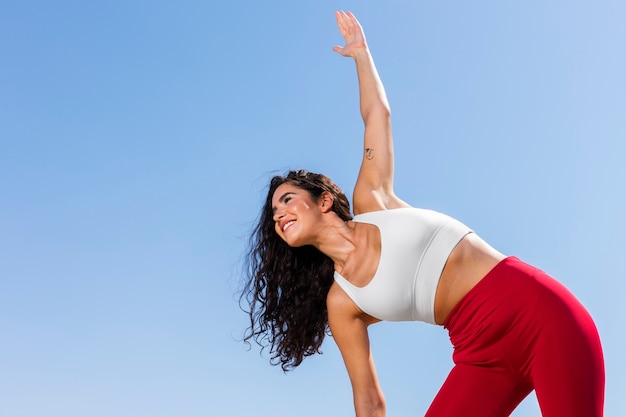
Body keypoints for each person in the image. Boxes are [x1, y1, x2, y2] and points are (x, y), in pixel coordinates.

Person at [240, 10, 605, 417]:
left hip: (543, 317)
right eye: (274, 212)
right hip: (481, 358)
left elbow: (377, 116)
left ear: (323, 200)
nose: (278, 214)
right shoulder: (343, 303)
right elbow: (369, 399)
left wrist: (361, 55)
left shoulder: (373, 201)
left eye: (286, 200)